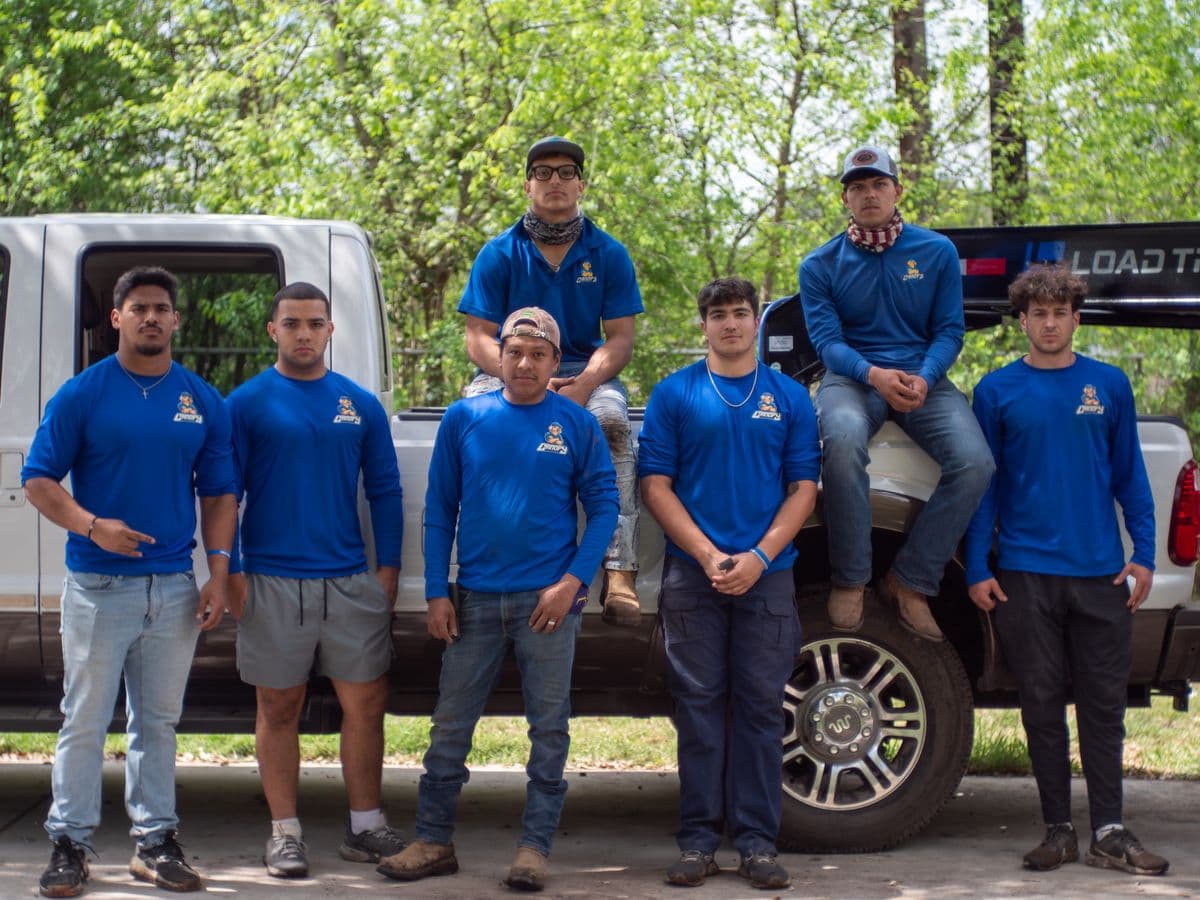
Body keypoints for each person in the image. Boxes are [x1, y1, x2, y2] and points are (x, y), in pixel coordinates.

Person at [376, 307, 618, 892]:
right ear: (499, 356)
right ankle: (433, 840)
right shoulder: (465, 418)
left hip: (549, 605)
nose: (525, 362)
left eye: (539, 353)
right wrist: (437, 591)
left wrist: (572, 583)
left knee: (549, 729)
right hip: (476, 599)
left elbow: (607, 507)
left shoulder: (577, 425)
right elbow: (439, 512)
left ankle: (534, 849)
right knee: (450, 726)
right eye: (515, 351)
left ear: (557, 362)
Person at [23, 266, 238, 897]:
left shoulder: (201, 399)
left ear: (175, 321)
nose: (151, 317)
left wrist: (216, 574)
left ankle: (155, 843)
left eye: (161, 309)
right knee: (84, 721)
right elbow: (38, 481)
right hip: (98, 587)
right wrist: (93, 526)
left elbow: (221, 493)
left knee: (158, 723)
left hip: (172, 586)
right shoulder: (83, 394)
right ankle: (69, 845)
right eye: (138, 307)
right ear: (116, 318)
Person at [964, 264, 1168, 877]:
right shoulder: (995, 391)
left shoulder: (1108, 384)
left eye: (1060, 313)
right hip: (1025, 574)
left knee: (1103, 707)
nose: (1049, 323)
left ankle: (1109, 829)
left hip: (1102, 575)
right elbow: (986, 487)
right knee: (1041, 705)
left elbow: (1130, 476)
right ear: (1022, 322)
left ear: (1075, 319)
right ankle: (1058, 830)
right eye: (1039, 314)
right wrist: (977, 564)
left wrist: (1145, 554)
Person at [638, 278, 820, 890]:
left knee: (761, 711)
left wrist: (759, 558)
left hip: (768, 579)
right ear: (704, 326)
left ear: (756, 323)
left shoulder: (790, 397)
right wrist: (710, 554)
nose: (731, 325)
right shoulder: (675, 394)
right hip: (694, 578)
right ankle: (696, 842)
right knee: (698, 710)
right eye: (718, 315)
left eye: (741, 313)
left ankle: (757, 843)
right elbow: (655, 486)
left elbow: (804, 489)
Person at [225, 282, 406, 878]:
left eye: (315, 323)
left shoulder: (358, 404)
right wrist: (230, 569)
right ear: (273, 330)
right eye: (292, 323)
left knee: (366, 706)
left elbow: (384, 489)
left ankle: (366, 826)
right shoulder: (246, 404)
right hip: (271, 581)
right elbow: (225, 494)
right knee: (278, 707)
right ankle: (284, 833)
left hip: (349, 580)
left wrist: (387, 570)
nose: (304, 333)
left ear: (331, 331)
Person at [799, 144, 994, 639]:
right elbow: (827, 344)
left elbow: (950, 330)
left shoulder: (936, 252)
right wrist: (874, 375)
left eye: (878, 184)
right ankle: (852, 579)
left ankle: (911, 580)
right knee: (840, 442)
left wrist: (926, 376)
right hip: (851, 379)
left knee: (976, 463)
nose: (869, 195)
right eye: (858, 187)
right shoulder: (820, 264)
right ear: (846, 198)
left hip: (924, 378)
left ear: (897, 190)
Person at [458, 136, 644, 626]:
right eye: (543, 172)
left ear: (581, 184)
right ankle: (465, 567)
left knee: (611, 421)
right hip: (507, 371)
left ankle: (620, 571)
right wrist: (517, 375)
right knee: (469, 422)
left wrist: (582, 385)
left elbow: (621, 339)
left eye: (566, 172)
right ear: (527, 184)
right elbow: (477, 336)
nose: (555, 181)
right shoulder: (499, 252)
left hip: (585, 374)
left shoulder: (608, 253)